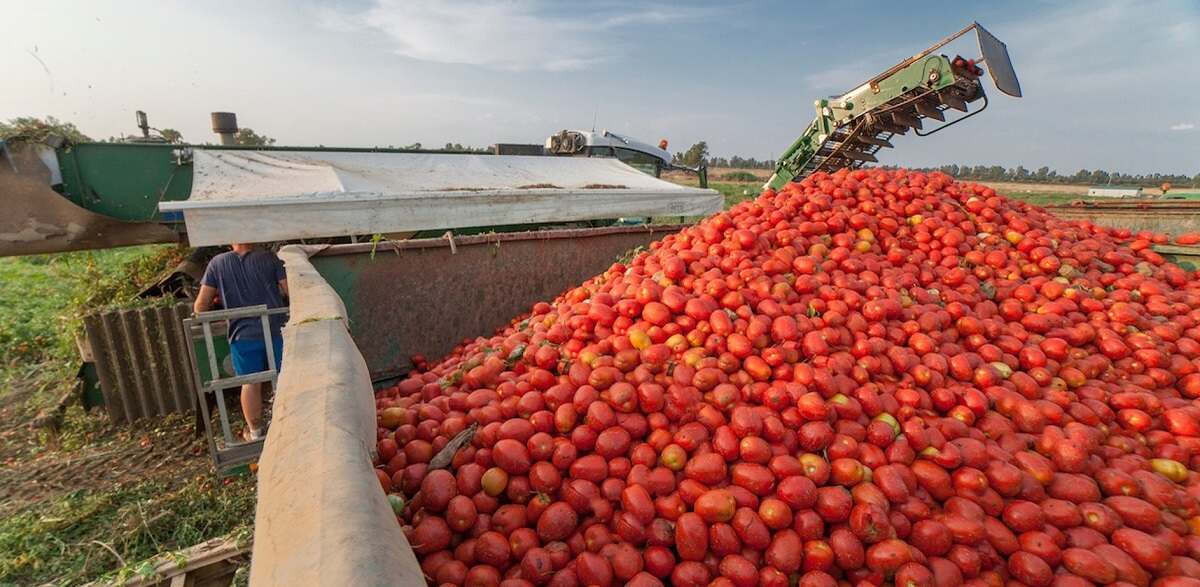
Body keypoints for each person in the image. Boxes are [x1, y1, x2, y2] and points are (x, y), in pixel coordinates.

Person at [193, 243, 288, 440]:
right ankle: (288, 425)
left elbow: (201, 305)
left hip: (242, 334)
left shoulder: (217, 263)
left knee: (250, 382)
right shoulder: (270, 258)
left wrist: (218, 315)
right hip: (275, 330)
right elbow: (289, 291)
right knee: (284, 379)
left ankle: (255, 432)